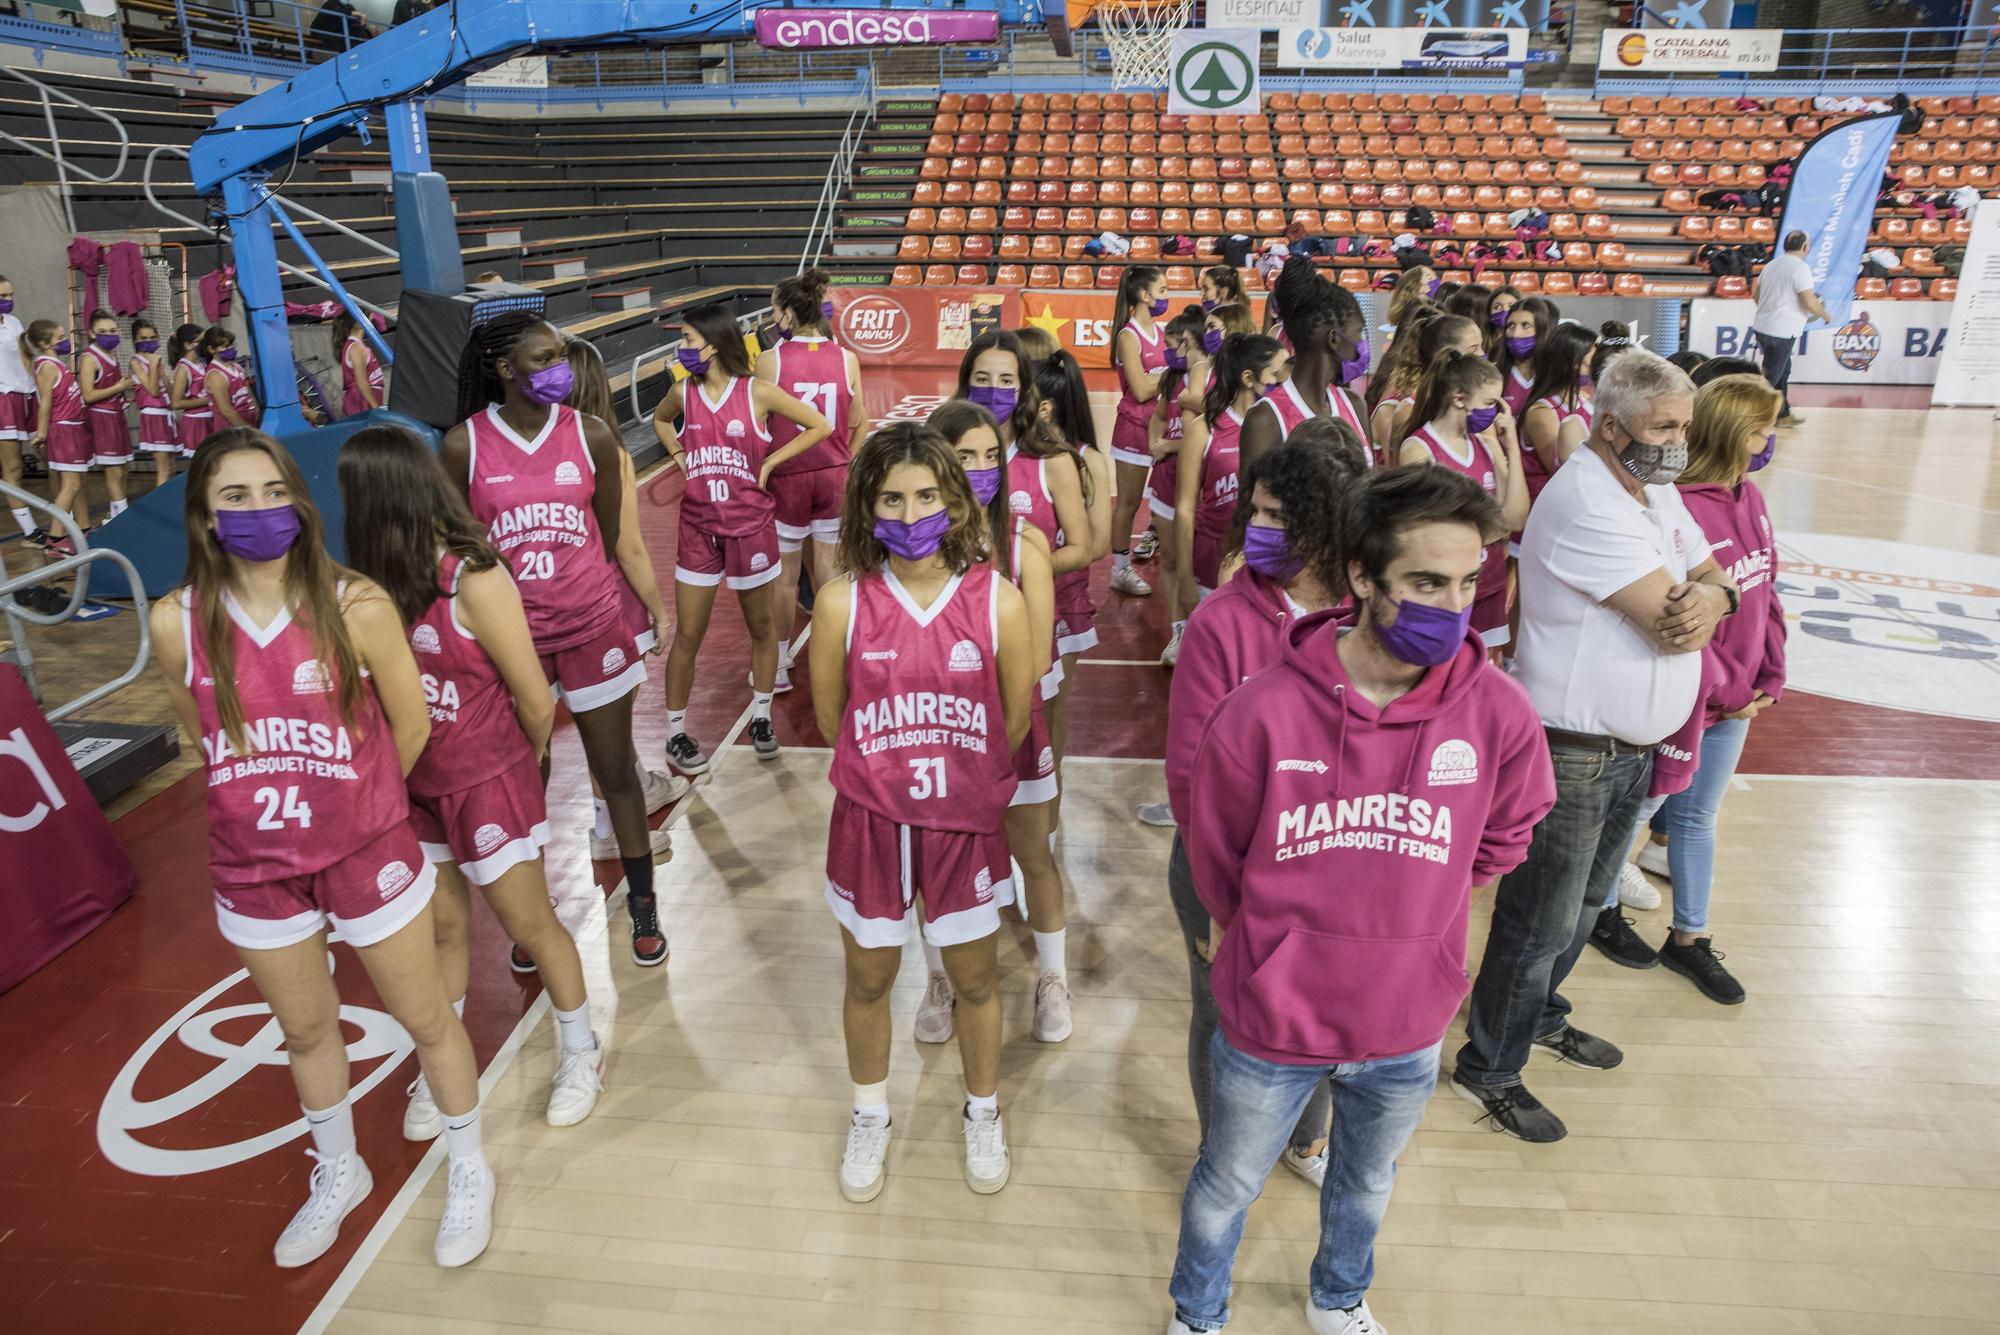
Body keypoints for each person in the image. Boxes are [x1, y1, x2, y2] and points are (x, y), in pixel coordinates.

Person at [1167, 465, 1555, 1335]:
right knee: (1226, 1181)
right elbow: (1214, 851)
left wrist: (1428, 910)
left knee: (1367, 1180)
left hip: (1406, 1023)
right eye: (1424, 583)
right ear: (1361, 580)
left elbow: (1508, 830)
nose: (1451, 606)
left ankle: (1338, 1296)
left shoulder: (1498, 712)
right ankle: (1197, 1312)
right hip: (1273, 1019)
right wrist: (1267, 947)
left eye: (1466, 583)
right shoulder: (1263, 711)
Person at [147, 428, 493, 1270]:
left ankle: (470, 1164)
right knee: (305, 1032)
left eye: (273, 492)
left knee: (425, 1019)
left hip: (365, 851)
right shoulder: (174, 620)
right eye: (236, 496)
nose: (259, 509)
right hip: (254, 865)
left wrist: (357, 804)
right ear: (204, 516)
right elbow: (207, 739)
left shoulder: (357, 604)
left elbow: (409, 727)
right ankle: (339, 1171)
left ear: (300, 503)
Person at [1454, 350, 1740, 1144]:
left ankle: (1539, 1015)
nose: (1680, 442)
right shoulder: (1586, 499)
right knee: (1540, 917)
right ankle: (1492, 1065)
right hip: (1574, 747)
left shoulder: (1652, 487)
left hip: (1629, 748)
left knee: (1584, 906)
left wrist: (1717, 594)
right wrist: (1712, 599)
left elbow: (1713, 581)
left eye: (1685, 426)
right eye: (1665, 427)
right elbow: (1669, 616)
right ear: (1612, 425)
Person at [338, 424, 608, 1132]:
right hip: (414, 783)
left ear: (374, 497)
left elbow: (535, 699)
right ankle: (443, 1063)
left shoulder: (474, 576)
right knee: (443, 924)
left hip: (488, 777)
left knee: (530, 923)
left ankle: (581, 1046)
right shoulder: (369, 585)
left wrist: (518, 765)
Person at [808, 421, 1033, 1205]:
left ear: (958, 502)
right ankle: (870, 1112)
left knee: (976, 979)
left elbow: (1015, 720)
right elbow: (831, 721)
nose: (911, 513)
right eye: (893, 498)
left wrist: (953, 775)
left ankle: (982, 1108)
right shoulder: (841, 602)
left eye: (927, 496)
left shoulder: (1000, 600)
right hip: (871, 822)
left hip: (962, 825)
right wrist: (895, 769)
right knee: (868, 978)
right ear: (866, 507)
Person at [1161, 434, 1363, 1177]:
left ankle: (1307, 1134)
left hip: (1334, 863)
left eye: (1277, 514)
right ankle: (1226, 1151)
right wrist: (1224, 897)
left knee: (1315, 1013)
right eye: (1256, 510)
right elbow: (1189, 774)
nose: (1256, 527)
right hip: (1228, 873)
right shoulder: (1222, 619)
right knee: (1223, 1017)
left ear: (1327, 524)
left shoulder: (1369, 613)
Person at [444, 312, 668, 965]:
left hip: (592, 623)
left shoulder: (592, 435)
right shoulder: (464, 446)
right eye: (543, 359)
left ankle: (645, 904)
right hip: (515, 639)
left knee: (616, 769)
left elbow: (606, 536)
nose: (558, 370)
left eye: (560, 355)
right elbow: (459, 551)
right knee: (526, 780)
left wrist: (645, 608)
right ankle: (535, 922)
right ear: (504, 368)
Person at [1602, 374, 1786, 1005]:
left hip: (1738, 700)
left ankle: (1690, 939)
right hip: (1691, 702)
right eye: (1764, 429)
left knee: (1700, 819)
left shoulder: (1751, 498)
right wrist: (1719, 692)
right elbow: (1678, 617)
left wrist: (1769, 676)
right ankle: (1599, 912)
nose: (1771, 441)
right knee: (1641, 811)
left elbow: (1766, 596)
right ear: (1736, 432)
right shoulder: (1682, 507)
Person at [922, 400, 1070, 1043]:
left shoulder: (1022, 540)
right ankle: (937, 979)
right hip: (935, 731)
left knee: (1033, 854)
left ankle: (1054, 977)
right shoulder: (908, 547)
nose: (982, 469)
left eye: (990, 456)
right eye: (965, 457)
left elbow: (1035, 655)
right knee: (936, 864)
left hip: (1009, 723)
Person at [651, 303, 830, 768]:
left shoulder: (758, 394)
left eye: (688, 340)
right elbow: (659, 420)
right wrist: (676, 453)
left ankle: (764, 715)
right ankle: (675, 733)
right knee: (688, 633)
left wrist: (770, 462)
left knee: (763, 628)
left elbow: (820, 424)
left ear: (713, 343)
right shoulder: (682, 393)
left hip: (750, 527)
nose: (682, 349)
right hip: (697, 528)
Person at [560, 335, 688, 868]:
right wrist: (659, 609)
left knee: (598, 718)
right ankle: (607, 826)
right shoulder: (604, 450)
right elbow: (629, 546)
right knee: (605, 720)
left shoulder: (530, 452)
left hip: (548, 601)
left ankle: (639, 785)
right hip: (605, 600)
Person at [756, 267, 866, 689]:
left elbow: (758, 423)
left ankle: (780, 665)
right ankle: (834, 658)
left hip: (787, 476)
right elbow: (857, 421)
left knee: (784, 578)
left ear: (786, 314)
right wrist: (842, 462)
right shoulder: (846, 357)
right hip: (832, 475)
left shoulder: (771, 360)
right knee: (829, 575)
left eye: (773, 311)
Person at [1178, 333, 1287, 602]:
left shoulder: (1283, 425)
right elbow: (1184, 508)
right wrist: (1184, 576)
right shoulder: (1204, 428)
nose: (1284, 382)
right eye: (1277, 374)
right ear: (1248, 378)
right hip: (1212, 559)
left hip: (1266, 560)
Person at [1239, 258, 1370, 470]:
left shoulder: (1356, 405)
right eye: (1358, 332)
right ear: (1334, 339)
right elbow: (1251, 502)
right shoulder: (1265, 419)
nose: (1361, 343)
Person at [1107, 265, 1170, 598]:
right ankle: (1119, 569)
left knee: (1162, 501)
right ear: (1144, 295)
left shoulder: (1162, 332)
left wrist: (1159, 379)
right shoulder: (1127, 336)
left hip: (1161, 428)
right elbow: (1142, 390)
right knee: (1128, 504)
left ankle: (1162, 549)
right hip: (1132, 430)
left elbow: (1152, 383)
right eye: (1162, 290)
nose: (1166, 296)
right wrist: (1171, 374)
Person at [1150, 306, 1208, 667]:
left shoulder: (1213, 380)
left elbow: (1197, 435)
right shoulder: (1173, 379)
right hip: (1166, 479)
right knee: (1170, 559)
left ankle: (1203, 628)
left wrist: (1170, 445)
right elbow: (1157, 418)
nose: (1171, 352)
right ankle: (1179, 629)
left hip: (1201, 481)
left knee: (1197, 561)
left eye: (1175, 345)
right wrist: (1157, 442)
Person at [1751, 229, 1827, 427]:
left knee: (1782, 371)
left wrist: (1769, 310)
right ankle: (1751, 415)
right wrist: (1825, 314)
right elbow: (1809, 302)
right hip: (1782, 329)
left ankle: (1782, 414)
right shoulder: (1800, 269)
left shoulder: (1770, 265)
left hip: (1763, 326)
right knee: (1771, 376)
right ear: (1805, 247)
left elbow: (1756, 295)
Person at [23, 319, 91, 540]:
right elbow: (45, 404)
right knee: (70, 485)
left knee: (77, 483)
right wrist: (41, 433)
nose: (65, 342)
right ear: (44, 343)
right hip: (63, 430)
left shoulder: (57, 364)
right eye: (60, 338)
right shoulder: (46, 366)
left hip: (74, 428)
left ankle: (83, 530)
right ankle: (56, 539)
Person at [1518, 322, 1599, 504]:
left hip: (1578, 502)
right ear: (1569, 363)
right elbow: (1559, 468)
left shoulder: (1584, 398)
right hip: (1546, 506)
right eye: (1589, 362)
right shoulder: (1541, 412)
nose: (1593, 369)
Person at [78, 310, 133, 520]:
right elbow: (88, 395)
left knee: (123, 471)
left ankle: (115, 515)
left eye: (112, 330)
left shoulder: (112, 353)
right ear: (91, 333)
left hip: (116, 415)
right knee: (114, 472)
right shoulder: (89, 358)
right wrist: (119, 387)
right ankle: (123, 519)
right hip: (101, 419)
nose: (109, 335)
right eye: (102, 331)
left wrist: (124, 392)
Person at [0, 274, 43, 543]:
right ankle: (30, 531)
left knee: (53, 455)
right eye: (2, 296)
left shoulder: (14, 322)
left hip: (29, 395)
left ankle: (70, 523)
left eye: (10, 295)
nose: (8, 301)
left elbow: (26, 357)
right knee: (13, 469)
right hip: (5, 399)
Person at [130, 318, 177, 488]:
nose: (148, 341)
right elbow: (153, 391)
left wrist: (161, 370)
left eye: (151, 337)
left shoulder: (158, 360)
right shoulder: (136, 362)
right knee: (163, 468)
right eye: (143, 338)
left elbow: (171, 391)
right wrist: (153, 365)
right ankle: (161, 509)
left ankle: (168, 503)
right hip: (153, 415)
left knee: (171, 466)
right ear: (135, 340)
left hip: (166, 414)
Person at [1497, 296, 1559, 417]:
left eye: (1525, 325)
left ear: (1543, 329)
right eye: (1511, 325)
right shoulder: (1495, 373)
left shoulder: (1556, 375)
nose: (1516, 334)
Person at [169, 321, 215, 460]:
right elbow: (176, 403)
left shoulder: (202, 362)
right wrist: (206, 400)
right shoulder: (183, 369)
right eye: (200, 341)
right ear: (188, 345)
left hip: (210, 419)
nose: (205, 344)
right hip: (196, 423)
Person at [203, 326, 262, 430]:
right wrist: (248, 429)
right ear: (211, 349)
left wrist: (256, 409)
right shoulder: (215, 375)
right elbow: (226, 411)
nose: (230, 349)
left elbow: (248, 391)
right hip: (232, 427)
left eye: (231, 345)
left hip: (250, 419)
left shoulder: (237, 366)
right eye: (225, 347)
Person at [335, 310, 385, 418]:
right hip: (360, 402)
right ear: (361, 323)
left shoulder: (358, 345)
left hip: (366, 400)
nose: (374, 322)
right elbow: (361, 383)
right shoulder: (355, 348)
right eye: (371, 320)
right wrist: (376, 408)